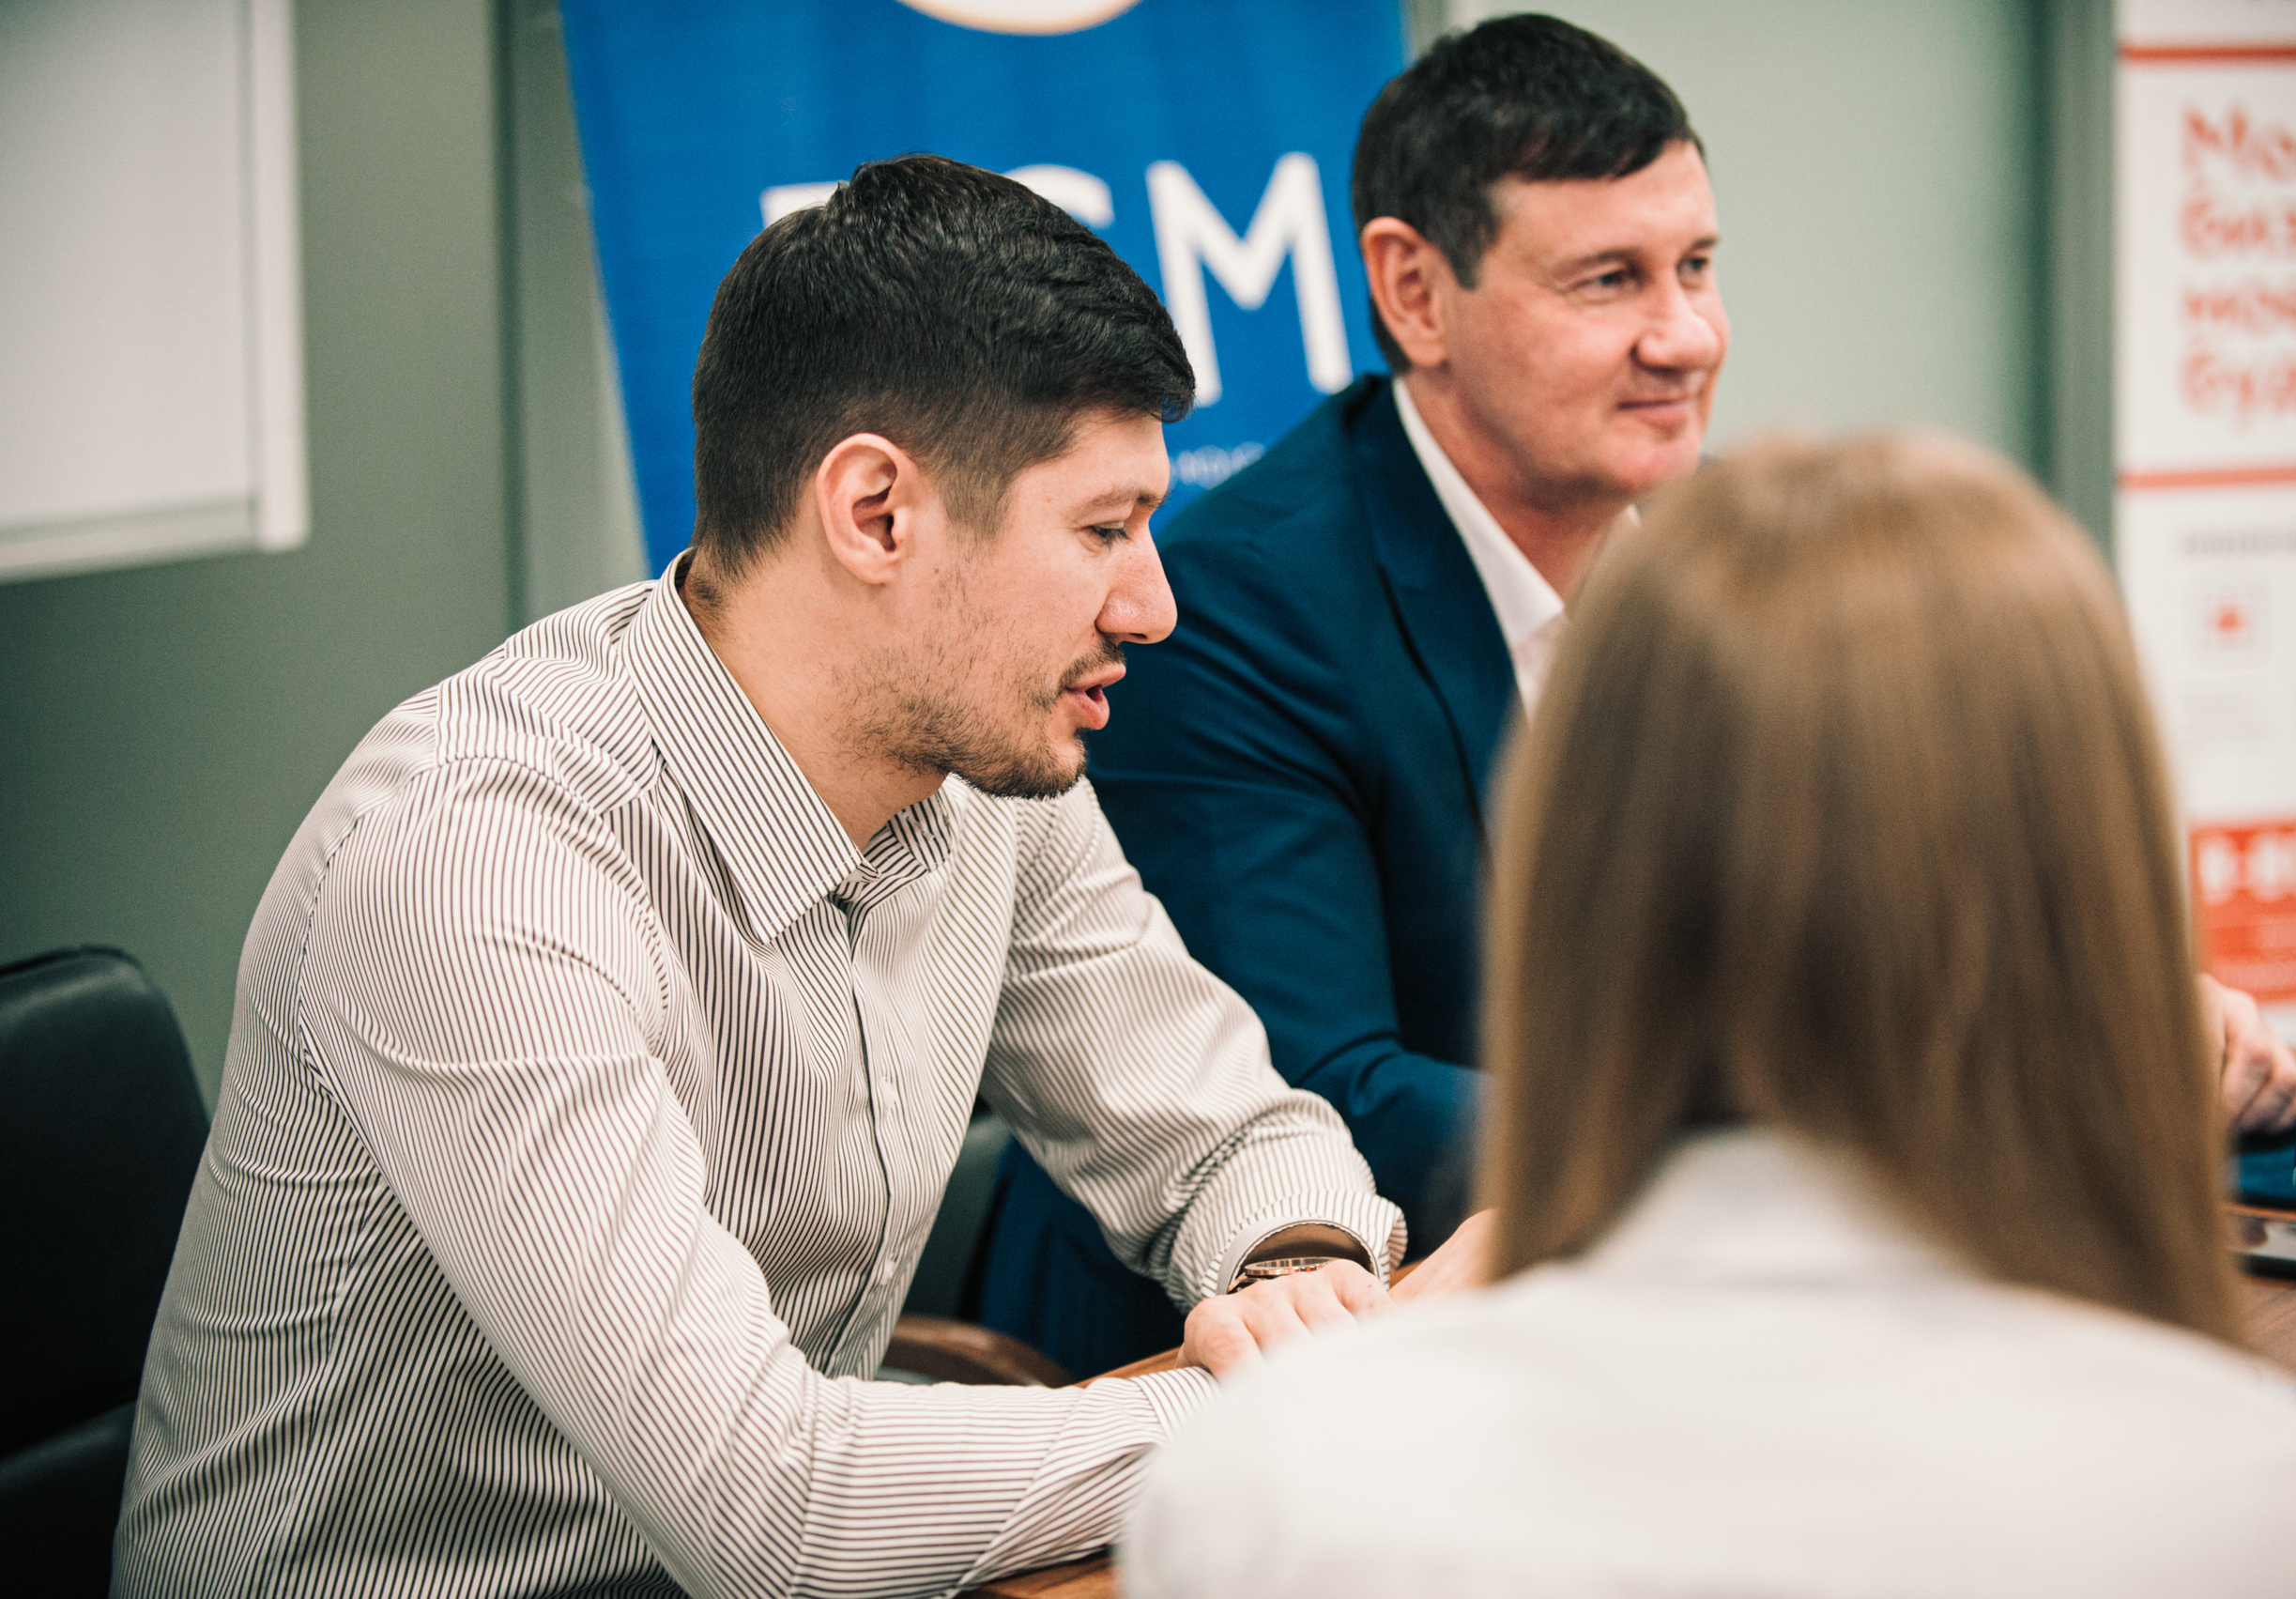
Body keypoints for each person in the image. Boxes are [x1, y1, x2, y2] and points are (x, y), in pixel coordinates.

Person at [113, 155, 1478, 1599]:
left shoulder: (981, 762)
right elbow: (774, 1508)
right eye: (1101, 530)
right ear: (878, 513)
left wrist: (1299, 1275)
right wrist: (1298, 1408)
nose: (1152, 605)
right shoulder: (478, 870)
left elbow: (1220, 1133)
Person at [975, 10, 2296, 1380]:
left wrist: (2096, 1032)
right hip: (1234, 1382)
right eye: (1610, 281)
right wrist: (1807, 1152)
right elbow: (1331, 1094)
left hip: (1659, 1327)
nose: (1686, 338)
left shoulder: (1737, 553)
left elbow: (1877, 933)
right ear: (1414, 292)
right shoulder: (1237, 602)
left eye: (1699, 267)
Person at [1119, 433, 2296, 1599]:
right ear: (2089, 883)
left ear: (1578, 869)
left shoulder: (1260, 1492)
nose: (1680, 333)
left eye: (1696, 266)